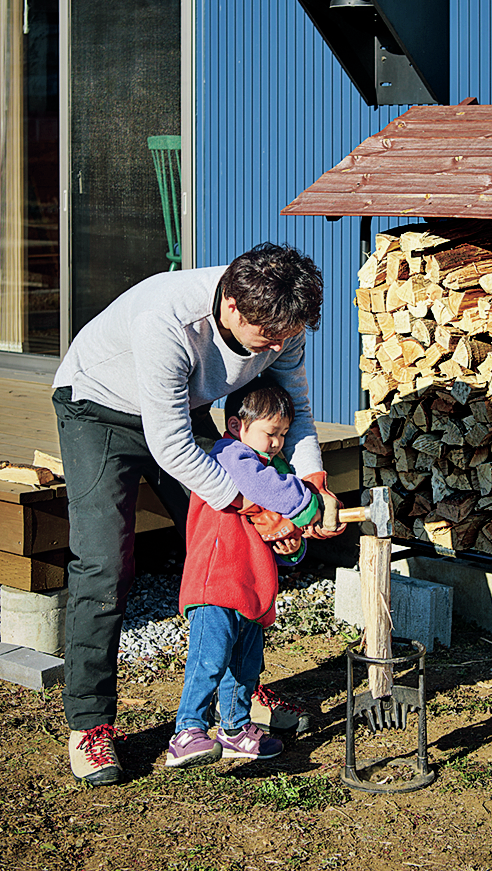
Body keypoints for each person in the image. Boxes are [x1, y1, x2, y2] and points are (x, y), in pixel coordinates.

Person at [52, 242, 343, 786]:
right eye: (271, 338)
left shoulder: (281, 319)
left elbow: (297, 412)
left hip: (179, 410)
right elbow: (172, 447)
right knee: (104, 566)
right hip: (99, 409)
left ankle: (239, 695)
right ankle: (90, 725)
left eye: (289, 335)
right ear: (232, 307)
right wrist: (257, 506)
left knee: (236, 546)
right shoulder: (169, 321)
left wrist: (308, 484)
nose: (280, 347)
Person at [166, 381, 321, 768]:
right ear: (237, 425)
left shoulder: (273, 472)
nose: (277, 443)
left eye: (284, 435)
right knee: (209, 659)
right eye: (271, 433)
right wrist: (308, 503)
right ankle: (187, 730)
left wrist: (292, 545)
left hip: (253, 586)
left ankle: (234, 729)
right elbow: (262, 486)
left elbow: (275, 530)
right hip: (216, 582)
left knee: (245, 666)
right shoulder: (229, 457)